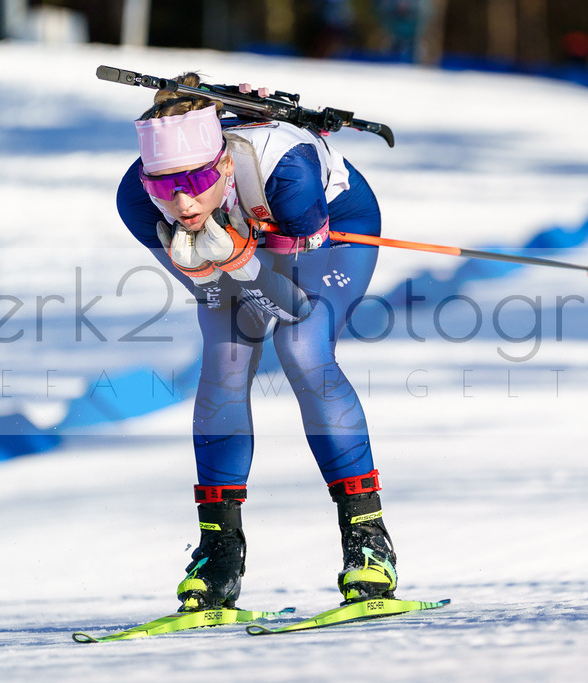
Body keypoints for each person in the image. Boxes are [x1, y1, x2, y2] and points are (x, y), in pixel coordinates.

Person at [115, 73, 397, 610]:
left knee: (302, 348)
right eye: (163, 186)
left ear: (221, 164)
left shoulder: (287, 171)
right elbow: (223, 300)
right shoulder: (138, 197)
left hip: (331, 230)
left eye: (194, 182)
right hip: (248, 242)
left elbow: (293, 304)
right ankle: (217, 554)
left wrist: (241, 261)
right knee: (225, 356)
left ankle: (367, 543)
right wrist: (217, 269)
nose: (180, 203)